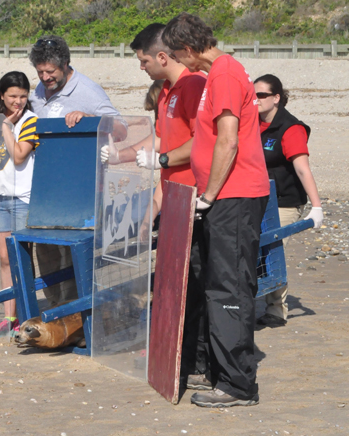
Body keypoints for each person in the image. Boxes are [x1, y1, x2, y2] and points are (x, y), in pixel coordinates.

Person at [162, 13, 270, 408]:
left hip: (234, 197)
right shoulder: (215, 77)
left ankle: (239, 386)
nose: (179, 62)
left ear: (188, 49)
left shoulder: (223, 74)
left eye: (177, 54)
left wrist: (207, 195)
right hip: (225, 197)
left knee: (230, 287)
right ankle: (222, 373)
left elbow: (228, 141)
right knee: (216, 282)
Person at [102, 23, 209, 389]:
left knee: (194, 286)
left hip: (194, 201)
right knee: (172, 287)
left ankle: (198, 363)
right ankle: (174, 357)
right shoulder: (165, 93)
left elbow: (201, 143)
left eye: (143, 60)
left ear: (161, 56)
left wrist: (161, 160)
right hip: (172, 199)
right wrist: (123, 158)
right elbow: (160, 147)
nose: (141, 66)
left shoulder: (194, 86)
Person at [28, 35, 123, 306]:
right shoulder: (37, 91)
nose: (45, 77)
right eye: (40, 71)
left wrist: (90, 119)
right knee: (45, 251)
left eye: (51, 71)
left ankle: (75, 315)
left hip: (79, 188)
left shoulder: (88, 90)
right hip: (45, 186)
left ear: (66, 64)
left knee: (72, 252)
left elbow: (121, 128)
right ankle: (56, 311)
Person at [254, 74, 323, 328]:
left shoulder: (291, 128)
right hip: (257, 198)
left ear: (276, 98)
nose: (256, 100)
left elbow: (303, 169)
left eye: (261, 95)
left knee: (269, 248)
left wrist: (317, 207)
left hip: (285, 202)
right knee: (253, 248)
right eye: (253, 95)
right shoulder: (252, 123)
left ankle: (276, 310)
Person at [0, 72, 38, 339]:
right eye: (12, 96)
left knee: (21, 258)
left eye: (23, 96)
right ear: (2, 95)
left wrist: (6, 125)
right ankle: (9, 317)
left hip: (22, 198)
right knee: (5, 259)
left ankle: (27, 316)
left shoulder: (30, 120)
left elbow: (18, 156)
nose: (18, 101)